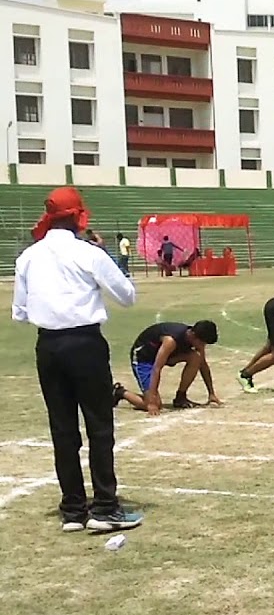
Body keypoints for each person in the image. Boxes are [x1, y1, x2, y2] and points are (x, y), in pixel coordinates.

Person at [11, 186, 142, 533]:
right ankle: (104, 507)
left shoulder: (28, 257)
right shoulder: (89, 253)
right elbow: (127, 297)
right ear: (78, 216)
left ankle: (72, 509)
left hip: (48, 346)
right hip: (84, 343)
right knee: (99, 426)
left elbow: (21, 312)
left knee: (63, 429)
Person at [114, 321, 222, 415]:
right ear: (193, 335)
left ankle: (180, 397)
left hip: (168, 355)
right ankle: (120, 392)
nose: (203, 345)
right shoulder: (170, 341)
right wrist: (151, 402)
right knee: (155, 404)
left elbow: (203, 364)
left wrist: (211, 393)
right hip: (144, 359)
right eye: (202, 342)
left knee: (196, 357)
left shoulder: (195, 338)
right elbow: (157, 368)